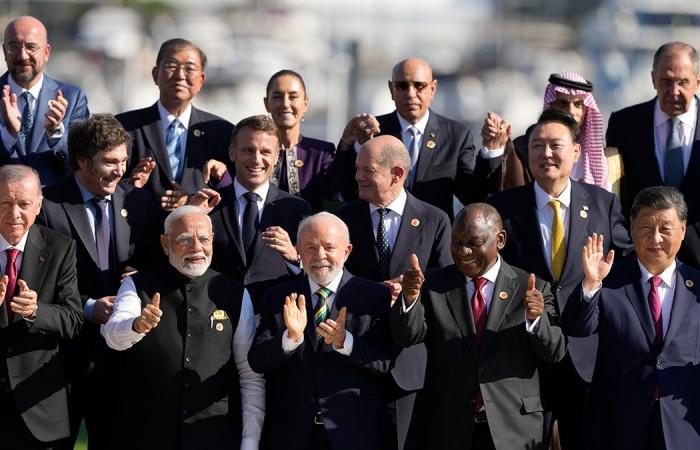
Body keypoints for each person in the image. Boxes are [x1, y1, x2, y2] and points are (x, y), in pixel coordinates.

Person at [487, 108, 631, 450]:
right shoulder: (503, 208)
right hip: (524, 356)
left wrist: (595, 289)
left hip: (588, 356)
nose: (546, 153)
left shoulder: (603, 204)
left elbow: (624, 269)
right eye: (537, 145)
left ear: (577, 152)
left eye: (555, 145)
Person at [392, 203, 567, 450]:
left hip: (513, 428)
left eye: (474, 243)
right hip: (449, 427)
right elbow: (406, 336)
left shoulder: (530, 287)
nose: (463, 251)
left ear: (500, 240)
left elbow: (555, 351)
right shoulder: (433, 285)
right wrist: (409, 298)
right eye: (457, 242)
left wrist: (535, 320)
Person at [37, 114, 161, 449]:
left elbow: (152, 262)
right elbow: (39, 281)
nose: (120, 170)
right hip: (62, 355)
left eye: (123, 160)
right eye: (109, 162)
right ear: (81, 161)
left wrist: (138, 281)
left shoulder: (137, 202)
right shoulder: (48, 205)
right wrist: (90, 307)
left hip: (121, 358)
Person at [102, 205, 264, 450]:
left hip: (213, 435)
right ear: (165, 244)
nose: (197, 248)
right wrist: (137, 325)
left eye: (203, 239)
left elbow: (249, 375)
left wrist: (249, 443)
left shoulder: (235, 293)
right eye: (185, 240)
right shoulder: (137, 285)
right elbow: (113, 336)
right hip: (146, 434)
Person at [335, 135, 451, 450]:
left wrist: (413, 290)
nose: (357, 176)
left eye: (366, 170)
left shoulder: (434, 220)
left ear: (396, 174)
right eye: (357, 168)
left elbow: (447, 287)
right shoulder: (344, 219)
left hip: (407, 365)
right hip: (353, 358)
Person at [248, 212, 398, 450]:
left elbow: (384, 362)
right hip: (292, 432)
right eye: (310, 247)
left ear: (346, 251)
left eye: (329, 247)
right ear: (297, 250)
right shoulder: (277, 296)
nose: (320, 256)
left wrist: (345, 341)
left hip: (352, 431)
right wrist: (290, 338)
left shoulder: (373, 296)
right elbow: (257, 360)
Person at [566, 186, 700, 450]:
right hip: (619, 426)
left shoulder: (698, 286)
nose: (656, 238)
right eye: (646, 228)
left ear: (683, 230)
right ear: (631, 227)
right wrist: (591, 285)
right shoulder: (608, 281)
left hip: (685, 428)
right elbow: (580, 328)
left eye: (666, 228)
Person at [335, 57, 501, 219]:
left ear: (433, 89)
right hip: (378, 232)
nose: (411, 94)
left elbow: (472, 196)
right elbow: (346, 191)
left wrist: (490, 151)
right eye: (402, 86)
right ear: (391, 89)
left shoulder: (455, 135)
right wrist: (355, 144)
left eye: (419, 86)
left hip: (432, 237)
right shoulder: (374, 131)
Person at [190, 115, 311, 311]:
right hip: (215, 317)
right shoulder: (207, 205)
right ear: (232, 152)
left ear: (276, 157)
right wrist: (191, 217)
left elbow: (312, 278)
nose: (256, 159)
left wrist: (293, 258)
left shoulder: (297, 210)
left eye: (265, 152)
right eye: (248, 150)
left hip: (273, 320)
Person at [0, 164, 82, 449]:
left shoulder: (60, 248)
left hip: (38, 406)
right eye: (5, 204)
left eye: (23, 204)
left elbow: (73, 319)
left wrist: (36, 311)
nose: (14, 215)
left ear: (39, 205)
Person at [606, 41, 700, 267]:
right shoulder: (625, 124)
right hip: (642, 259)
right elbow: (617, 197)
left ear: (697, 82)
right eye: (666, 81)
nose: (674, 91)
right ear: (653, 79)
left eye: (682, 82)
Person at [116, 38, 233, 210]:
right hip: (137, 232)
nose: (180, 76)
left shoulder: (222, 131)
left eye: (189, 69)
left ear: (201, 80)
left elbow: (233, 194)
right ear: (155, 74)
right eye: (171, 66)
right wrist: (131, 183)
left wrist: (191, 202)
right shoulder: (124, 126)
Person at [204, 69, 340, 212]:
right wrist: (220, 174)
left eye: (293, 97)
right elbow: (233, 197)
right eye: (277, 97)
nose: (285, 104)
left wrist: (347, 145)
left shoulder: (320, 153)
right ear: (266, 103)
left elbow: (338, 194)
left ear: (305, 104)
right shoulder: (246, 149)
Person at [483, 71, 609, 192]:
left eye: (578, 104)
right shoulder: (522, 148)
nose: (571, 111)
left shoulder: (595, 154)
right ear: (551, 106)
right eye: (562, 104)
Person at [0, 16, 90, 186]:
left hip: (53, 206)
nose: (22, 55)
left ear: (46, 52)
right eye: (14, 47)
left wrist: (56, 132)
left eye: (31, 47)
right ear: (5, 52)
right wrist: (8, 135)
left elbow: (82, 164)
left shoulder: (72, 98)